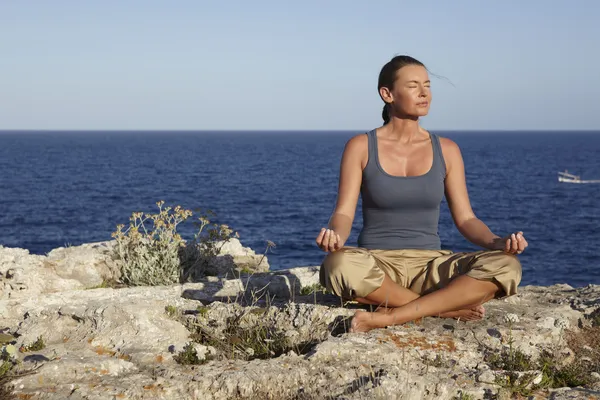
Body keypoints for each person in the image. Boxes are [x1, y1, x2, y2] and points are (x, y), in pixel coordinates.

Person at [315, 55, 528, 333]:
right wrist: (336, 237)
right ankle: (445, 308)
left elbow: (465, 219)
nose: (424, 92)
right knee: (338, 265)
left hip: (431, 265)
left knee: (507, 266)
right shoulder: (361, 146)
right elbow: (343, 212)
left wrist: (497, 242)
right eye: (413, 85)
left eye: (427, 85)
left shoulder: (447, 149)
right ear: (387, 94)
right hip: (378, 265)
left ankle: (390, 316)